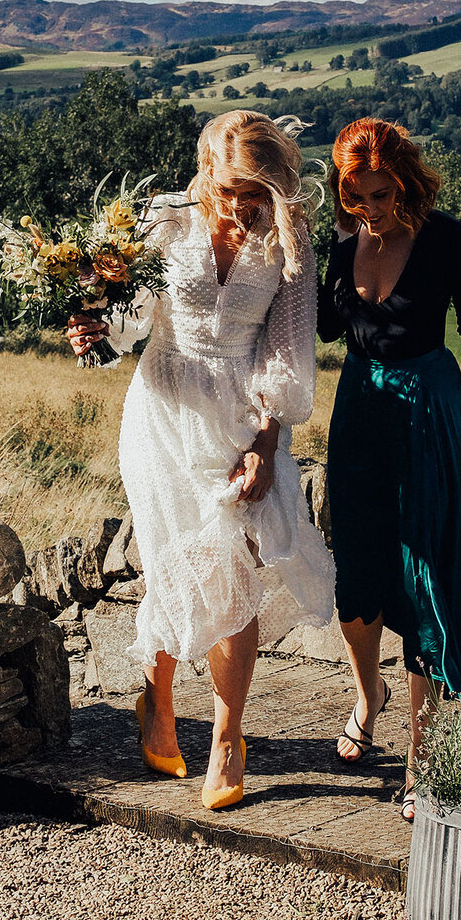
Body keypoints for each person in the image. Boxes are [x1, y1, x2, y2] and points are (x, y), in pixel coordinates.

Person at [68, 111, 334, 811]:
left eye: (260, 192)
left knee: (233, 569)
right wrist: (93, 327)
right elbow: (125, 322)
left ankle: (227, 736)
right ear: (206, 172)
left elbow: (288, 343)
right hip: (159, 408)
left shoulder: (289, 234)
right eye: (234, 190)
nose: (246, 205)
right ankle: (157, 702)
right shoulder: (159, 219)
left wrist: (267, 443)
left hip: (241, 416)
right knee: (167, 558)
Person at [319, 117, 461, 820]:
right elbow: (320, 325)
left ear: (405, 180)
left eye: (379, 194)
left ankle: (420, 754)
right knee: (359, 574)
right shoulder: (346, 240)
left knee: (425, 579)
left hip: (429, 413)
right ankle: (366, 693)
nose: (369, 208)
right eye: (355, 196)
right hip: (359, 415)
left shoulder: (447, 239)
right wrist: (328, 251)